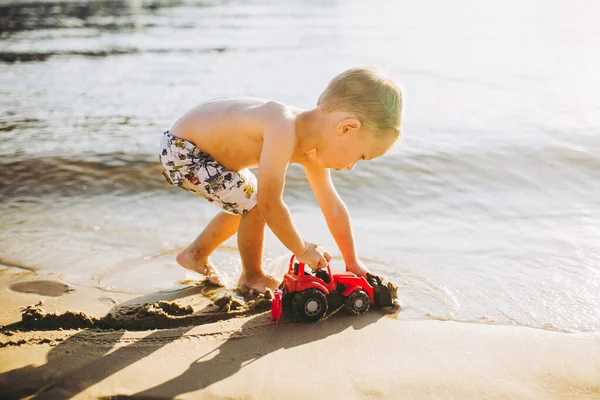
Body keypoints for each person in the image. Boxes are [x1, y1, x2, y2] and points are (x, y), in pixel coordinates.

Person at [159, 66, 403, 293]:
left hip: (205, 152)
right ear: (346, 128)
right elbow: (269, 204)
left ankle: (195, 255)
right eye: (360, 156)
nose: (351, 167)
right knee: (255, 204)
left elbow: (332, 206)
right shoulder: (282, 126)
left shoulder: (311, 151)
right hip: (185, 151)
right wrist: (302, 249)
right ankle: (252, 276)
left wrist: (352, 261)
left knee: (245, 200)